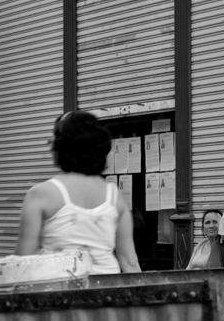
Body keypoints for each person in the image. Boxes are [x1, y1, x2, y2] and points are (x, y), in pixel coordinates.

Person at [15, 110, 140, 275]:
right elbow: (130, 263)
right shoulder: (115, 196)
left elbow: (22, 263)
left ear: (62, 148)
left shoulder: (42, 194)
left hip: (60, 294)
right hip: (107, 294)